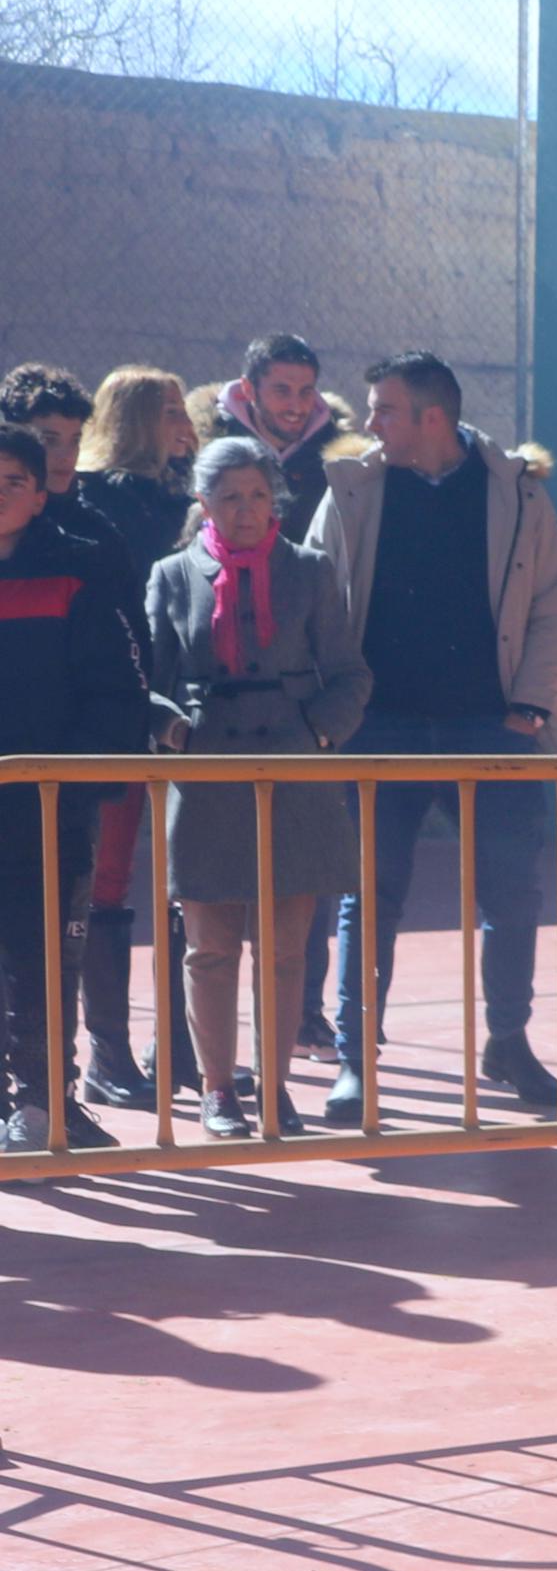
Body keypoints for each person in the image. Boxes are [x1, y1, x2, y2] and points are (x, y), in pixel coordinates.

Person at [305, 352, 557, 1123]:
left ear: (432, 417)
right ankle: (356, 1062)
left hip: (490, 725)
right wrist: (334, 716)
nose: (368, 424)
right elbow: (321, 602)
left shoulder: (517, 492)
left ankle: (509, 1041)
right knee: (367, 895)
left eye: (383, 409)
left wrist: (527, 709)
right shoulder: (354, 488)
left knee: (512, 892)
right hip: (377, 727)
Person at [144, 436, 367, 1140]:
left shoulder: (309, 570)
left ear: (277, 501)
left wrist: (319, 736)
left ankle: (275, 1088)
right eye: (231, 497)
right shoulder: (173, 574)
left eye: (260, 496)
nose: (247, 511)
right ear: (204, 502)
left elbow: (350, 674)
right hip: (207, 777)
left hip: (294, 775)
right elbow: (147, 680)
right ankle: (217, 1090)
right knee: (209, 945)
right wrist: (175, 732)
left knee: (283, 946)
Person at [0, 426, 151, 1150]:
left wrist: (76, 778)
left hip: (49, 809)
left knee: (45, 955)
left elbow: (117, 690)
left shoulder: (81, 569)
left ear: (39, 494)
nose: (1, 493)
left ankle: (41, 1101)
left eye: (14, 481)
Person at [68, 365, 198, 1109]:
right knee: (109, 878)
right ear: (135, 418)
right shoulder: (101, 502)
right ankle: (108, 1056)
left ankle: (178, 1045)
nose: (185, 423)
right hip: (122, 715)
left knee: (188, 882)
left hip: (185, 714)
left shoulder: (184, 498)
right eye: (170, 409)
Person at [212, 334, 345, 544]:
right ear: (248, 389)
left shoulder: (338, 463)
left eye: (305, 392)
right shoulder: (208, 447)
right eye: (282, 391)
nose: (297, 406)